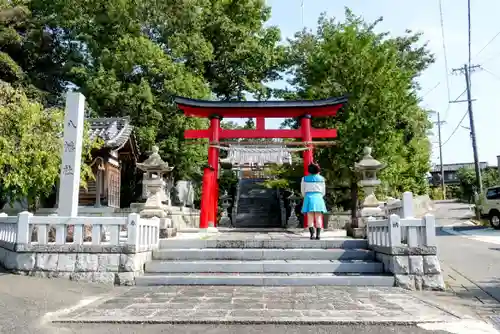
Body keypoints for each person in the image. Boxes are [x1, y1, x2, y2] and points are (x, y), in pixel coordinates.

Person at [301, 163, 327, 240]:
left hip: (308, 197)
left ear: (309, 170)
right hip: (318, 197)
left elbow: (303, 191)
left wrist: (306, 196)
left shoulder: (304, 178)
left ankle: (312, 234)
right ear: (318, 170)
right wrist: (319, 196)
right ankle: (318, 235)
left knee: (310, 217)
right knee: (318, 217)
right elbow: (323, 192)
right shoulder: (322, 178)